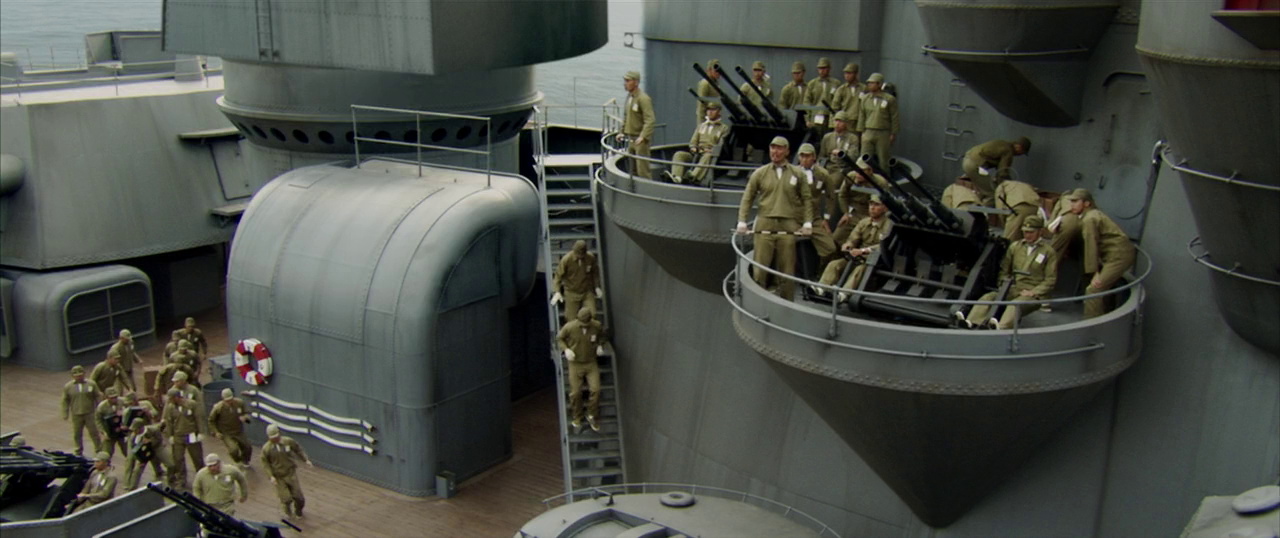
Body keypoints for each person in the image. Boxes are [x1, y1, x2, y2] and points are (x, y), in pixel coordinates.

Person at [735, 136, 814, 301]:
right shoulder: (760, 173)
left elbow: (807, 199)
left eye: (779, 148)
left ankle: (786, 303)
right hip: (765, 223)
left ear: (787, 151)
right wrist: (742, 221)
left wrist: (807, 223)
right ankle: (757, 302)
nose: (775, 152)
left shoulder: (797, 173)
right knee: (760, 268)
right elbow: (747, 198)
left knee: (787, 270)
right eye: (772, 148)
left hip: (788, 224)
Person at [957, 216, 1058, 329]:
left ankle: (1001, 328)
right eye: (1025, 232)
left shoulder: (1048, 252)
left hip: (1032, 293)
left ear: (1040, 231)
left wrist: (1034, 292)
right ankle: (972, 322)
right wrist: (1003, 284)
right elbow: (1004, 269)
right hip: (1013, 288)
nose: (1027, 235)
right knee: (989, 297)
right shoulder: (1015, 247)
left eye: (1031, 232)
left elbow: (1050, 279)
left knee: (1014, 306)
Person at [1063, 189, 1136, 318]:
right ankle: (1105, 315)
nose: (1072, 205)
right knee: (1103, 289)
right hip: (1114, 254)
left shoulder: (1089, 219)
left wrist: (1094, 272)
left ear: (1087, 203)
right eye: (1071, 201)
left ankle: (1091, 325)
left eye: (1075, 201)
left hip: (1118, 257)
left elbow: (1091, 244)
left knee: (1093, 290)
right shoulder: (1092, 215)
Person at [814, 195, 892, 301]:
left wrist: (863, 251)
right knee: (834, 264)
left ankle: (843, 294)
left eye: (877, 205)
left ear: (885, 208)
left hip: (875, 260)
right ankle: (821, 288)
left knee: (859, 270)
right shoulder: (864, 222)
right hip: (857, 256)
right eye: (871, 204)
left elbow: (883, 246)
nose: (872, 208)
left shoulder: (889, 225)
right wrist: (849, 245)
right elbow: (854, 238)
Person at [557, 307, 609, 433]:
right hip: (575, 363)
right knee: (575, 393)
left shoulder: (596, 326)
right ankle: (577, 416)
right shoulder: (570, 327)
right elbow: (559, 338)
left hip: (591, 362)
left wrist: (600, 345)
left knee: (596, 390)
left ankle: (591, 414)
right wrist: (566, 349)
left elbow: (603, 336)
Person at [796, 143, 841, 261]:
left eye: (807, 156)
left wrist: (826, 218)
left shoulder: (822, 174)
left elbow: (831, 196)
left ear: (814, 157)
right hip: (794, 216)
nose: (804, 159)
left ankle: (821, 269)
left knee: (830, 248)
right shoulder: (792, 172)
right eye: (802, 156)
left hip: (814, 218)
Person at [667, 101, 728, 185]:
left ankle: (693, 176)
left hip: (710, 156)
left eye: (713, 110)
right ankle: (676, 177)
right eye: (708, 110)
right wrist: (694, 148)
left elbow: (721, 145)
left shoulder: (723, 128)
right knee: (679, 155)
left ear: (719, 111)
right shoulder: (701, 126)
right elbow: (693, 142)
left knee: (707, 156)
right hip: (697, 153)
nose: (710, 112)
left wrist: (711, 150)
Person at [261, 423, 313, 518]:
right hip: (279, 476)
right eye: (272, 437)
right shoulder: (266, 449)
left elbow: (298, 449)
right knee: (286, 499)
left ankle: (298, 512)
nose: (275, 439)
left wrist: (305, 459)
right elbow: (265, 464)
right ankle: (287, 510)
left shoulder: (288, 442)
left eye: (276, 436)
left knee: (299, 497)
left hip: (290, 473)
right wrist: (271, 476)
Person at [962, 137, 1031, 204]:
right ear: (1019, 147)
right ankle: (983, 210)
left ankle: (975, 205)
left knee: (983, 189)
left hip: (968, 160)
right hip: (974, 165)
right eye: (1022, 152)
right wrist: (1009, 185)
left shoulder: (1003, 144)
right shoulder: (1008, 151)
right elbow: (1002, 172)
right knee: (993, 193)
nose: (1020, 155)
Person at [163, 387, 205, 491]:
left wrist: (201, 432)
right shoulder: (170, 408)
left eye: (171, 398)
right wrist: (170, 435)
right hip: (178, 436)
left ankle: (203, 478)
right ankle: (181, 479)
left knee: (197, 457)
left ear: (177, 397)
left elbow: (199, 418)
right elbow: (169, 422)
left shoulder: (191, 404)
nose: (170, 400)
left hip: (191, 434)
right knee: (178, 459)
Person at [855, 73, 899, 173]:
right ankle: (863, 178)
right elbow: (862, 115)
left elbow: (894, 117)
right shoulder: (865, 98)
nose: (869, 85)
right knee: (864, 159)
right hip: (868, 131)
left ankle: (884, 179)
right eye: (869, 83)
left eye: (872, 83)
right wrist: (860, 132)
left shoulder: (889, 99)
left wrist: (893, 133)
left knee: (884, 160)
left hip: (883, 132)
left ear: (879, 84)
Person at [551, 240, 602, 321]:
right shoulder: (566, 259)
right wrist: (557, 291)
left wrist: (597, 286)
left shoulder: (590, 258)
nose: (580, 256)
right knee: (571, 318)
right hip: (571, 292)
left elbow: (595, 273)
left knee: (592, 314)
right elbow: (558, 276)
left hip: (586, 291)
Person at [62, 365, 103, 456]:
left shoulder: (91, 384)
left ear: (84, 374)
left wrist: (99, 408)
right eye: (76, 375)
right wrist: (65, 412)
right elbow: (65, 400)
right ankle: (78, 450)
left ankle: (98, 449)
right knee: (77, 433)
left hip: (90, 413)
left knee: (94, 432)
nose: (79, 377)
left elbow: (97, 396)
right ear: (72, 376)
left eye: (80, 375)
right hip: (76, 414)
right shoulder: (68, 387)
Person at [621, 70, 656, 179]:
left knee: (643, 170)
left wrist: (643, 136)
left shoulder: (643, 98)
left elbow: (650, 119)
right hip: (631, 138)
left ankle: (647, 187)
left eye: (628, 81)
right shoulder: (630, 97)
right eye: (625, 81)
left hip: (640, 141)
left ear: (636, 82)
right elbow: (626, 116)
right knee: (632, 170)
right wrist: (621, 132)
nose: (625, 83)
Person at [209, 388, 253, 469]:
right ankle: (237, 460)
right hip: (227, 433)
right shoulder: (218, 408)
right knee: (233, 450)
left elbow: (247, 413)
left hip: (238, 431)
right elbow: (211, 420)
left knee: (247, 446)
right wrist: (216, 432)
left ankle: (245, 460)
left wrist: (245, 417)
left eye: (231, 399)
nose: (229, 402)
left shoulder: (239, 403)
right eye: (227, 401)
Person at [123, 417, 167, 490]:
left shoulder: (153, 430)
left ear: (141, 428)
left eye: (135, 429)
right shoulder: (133, 436)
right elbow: (133, 449)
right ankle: (131, 486)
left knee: (156, 461)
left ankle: (159, 472)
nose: (134, 431)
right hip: (140, 453)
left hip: (153, 449)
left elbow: (159, 439)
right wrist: (140, 459)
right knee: (133, 467)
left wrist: (150, 441)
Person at [804, 57, 839, 135]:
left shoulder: (835, 83)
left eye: (824, 68)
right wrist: (807, 119)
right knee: (816, 137)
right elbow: (807, 102)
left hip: (830, 117)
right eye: (820, 68)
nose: (821, 71)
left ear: (829, 69)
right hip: (816, 116)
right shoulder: (812, 84)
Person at [819, 110, 858, 179]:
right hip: (829, 167)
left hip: (843, 169)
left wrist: (841, 153)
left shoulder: (852, 138)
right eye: (836, 121)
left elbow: (853, 157)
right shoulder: (827, 137)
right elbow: (821, 156)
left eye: (840, 121)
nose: (837, 124)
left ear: (846, 123)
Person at [95, 387, 130, 459]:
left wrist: (125, 413)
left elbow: (131, 410)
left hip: (122, 430)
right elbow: (98, 420)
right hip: (109, 431)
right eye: (111, 398)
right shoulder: (101, 407)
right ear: (106, 398)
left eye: (115, 397)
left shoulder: (123, 402)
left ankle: (131, 464)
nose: (114, 399)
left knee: (128, 451)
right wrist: (103, 432)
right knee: (107, 452)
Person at [107, 329, 143, 394]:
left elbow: (132, 352)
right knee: (119, 389)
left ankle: (133, 396)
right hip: (120, 370)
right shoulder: (115, 348)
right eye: (126, 339)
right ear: (121, 338)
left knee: (133, 387)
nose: (128, 340)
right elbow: (113, 359)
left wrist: (138, 360)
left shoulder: (130, 343)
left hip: (129, 368)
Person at [695, 59, 723, 123]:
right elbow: (701, 106)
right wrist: (701, 125)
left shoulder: (716, 83)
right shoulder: (705, 83)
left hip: (715, 119)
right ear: (709, 70)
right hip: (707, 120)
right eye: (716, 71)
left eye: (719, 71)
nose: (718, 73)